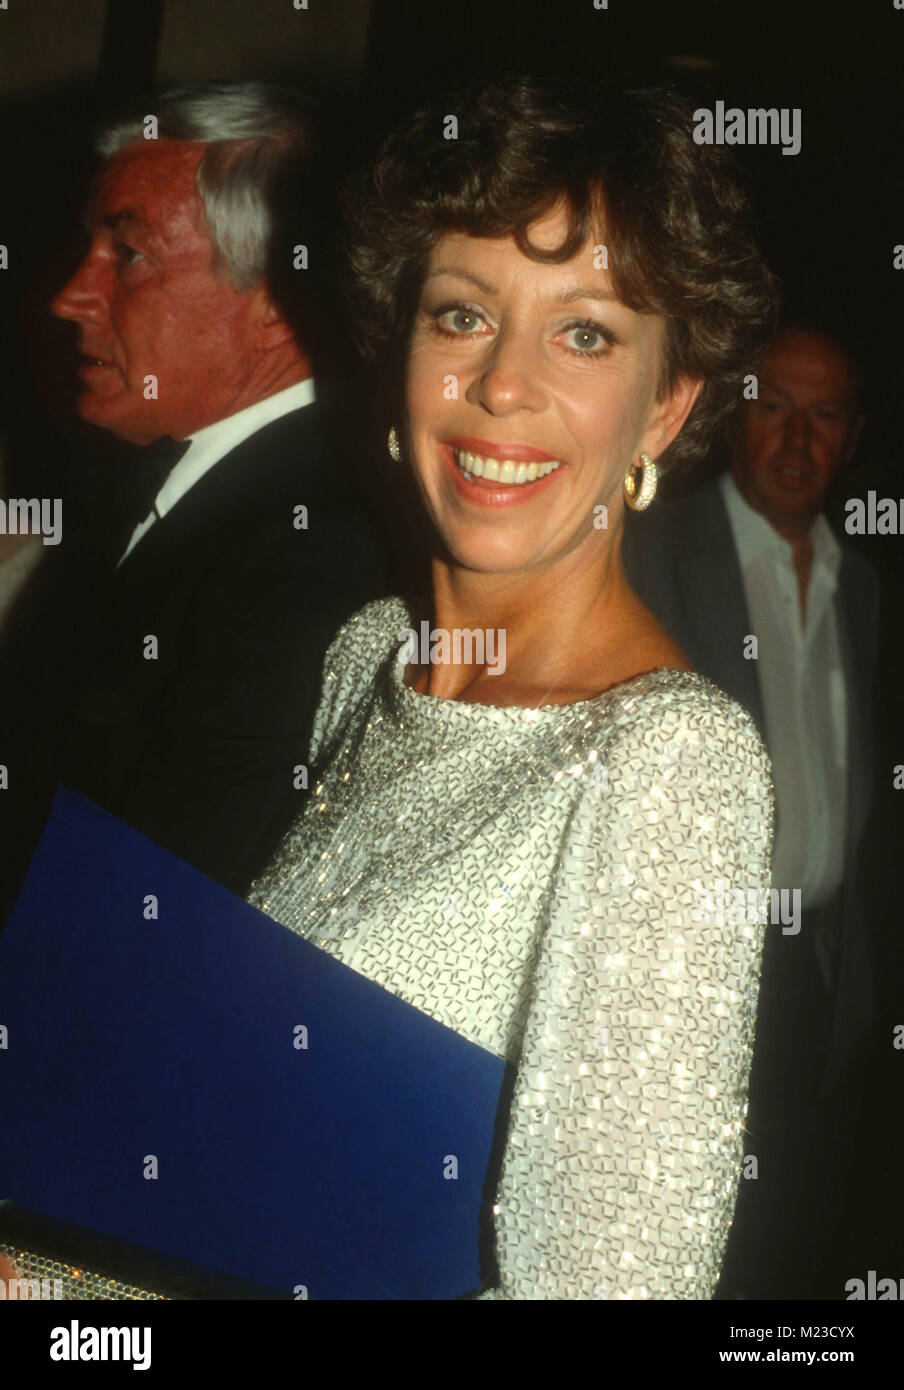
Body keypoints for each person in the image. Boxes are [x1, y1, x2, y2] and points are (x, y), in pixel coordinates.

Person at [0, 75, 776, 1302]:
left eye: (584, 332)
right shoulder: (367, 658)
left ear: (666, 407)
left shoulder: (668, 760)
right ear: (397, 347)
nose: (503, 385)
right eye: (462, 316)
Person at [0, 81, 386, 924]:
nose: (72, 296)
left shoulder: (313, 558)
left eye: (127, 255)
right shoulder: (144, 487)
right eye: (88, 247)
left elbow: (148, 911)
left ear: (278, 306)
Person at [622, 324, 880, 1297]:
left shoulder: (862, 587)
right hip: (689, 961)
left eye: (823, 416)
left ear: (850, 436)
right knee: (690, 1247)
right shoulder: (648, 551)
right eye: (773, 404)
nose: (795, 438)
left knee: (789, 1245)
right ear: (734, 414)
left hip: (816, 971)